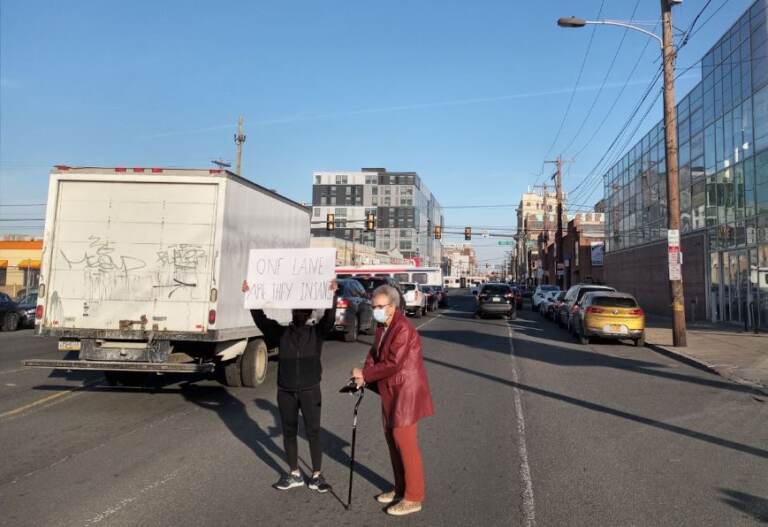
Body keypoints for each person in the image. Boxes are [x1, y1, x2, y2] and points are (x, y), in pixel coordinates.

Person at [243, 279, 338, 493]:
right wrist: (251, 296)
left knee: (313, 431)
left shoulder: (316, 334)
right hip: (286, 391)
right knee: (289, 431)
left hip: (310, 390)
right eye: (297, 310)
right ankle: (294, 473)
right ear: (292, 312)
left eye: (303, 311)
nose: (299, 314)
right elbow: (261, 320)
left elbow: (330, 319)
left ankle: (316, 475)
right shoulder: (281, 333)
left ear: (310, 313)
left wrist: (333, 295)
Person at [351, 284, 433, 517]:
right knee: (392, 439)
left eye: (379, 306)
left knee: (404, 441)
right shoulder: (383, 326)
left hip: (405, 392)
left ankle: (414, 496)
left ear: (393, 306)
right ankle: (400, 488)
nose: (375, 310)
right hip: (390, 391)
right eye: (373, 305)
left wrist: (365, 375)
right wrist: (363, 374)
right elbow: (374, 355)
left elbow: (394, 363)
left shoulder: (403, 328)